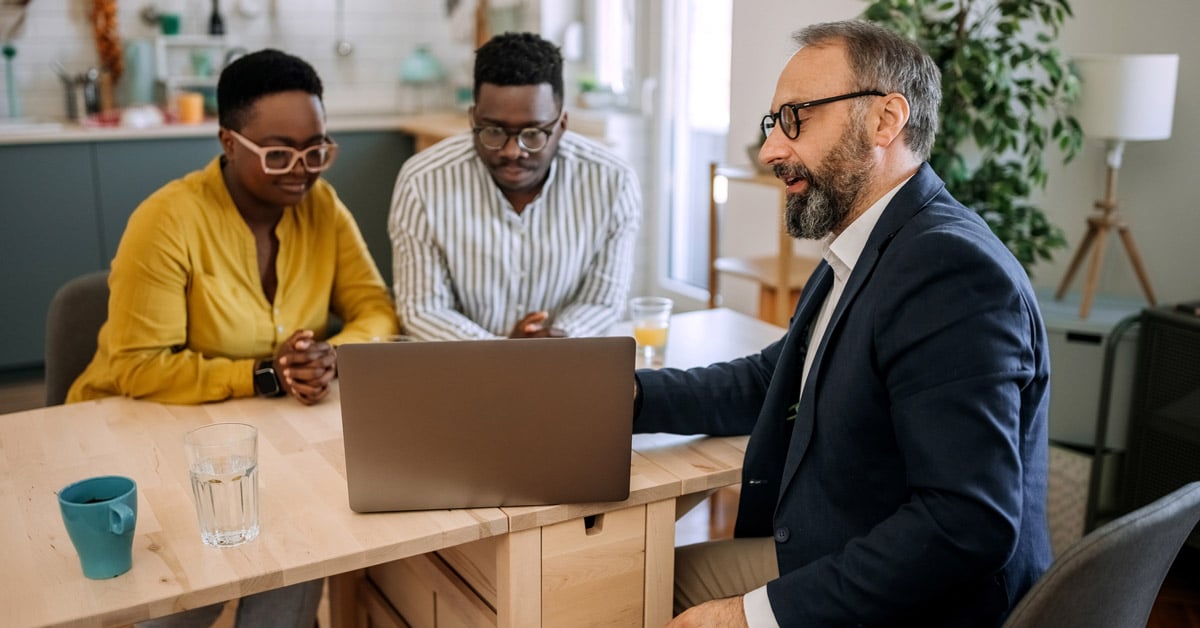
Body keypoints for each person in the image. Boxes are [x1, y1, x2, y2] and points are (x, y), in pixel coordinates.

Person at [634, 21, 1051, 627]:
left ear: (886, 121)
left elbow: (966, 524)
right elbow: (771, 382)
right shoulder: (871, 245)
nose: (773, 150)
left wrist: (750, 616)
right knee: (634, 576)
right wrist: (633, 396)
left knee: (629, 588)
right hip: (849, 543)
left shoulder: (949, 271)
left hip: (927, 604)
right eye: (773, 124)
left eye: (795, 118)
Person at [67, 49, 398, 627]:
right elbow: (140, 367)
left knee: (303, 544)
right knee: (189, 586)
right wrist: (266, 373)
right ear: (227, 142)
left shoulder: (323, 206)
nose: (303, 168)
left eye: (317, 149)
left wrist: (332, 355)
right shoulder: (167, 220)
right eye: (278, 153)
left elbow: (374, 309)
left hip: (266, 437)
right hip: (137, 429)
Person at [389, 32, 640, 340]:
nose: (512, 151)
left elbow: (602, 300)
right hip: (460, 373)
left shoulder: (613, 182)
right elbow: (422, 309)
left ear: (561, 125)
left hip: (563, 367)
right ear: (472, 119)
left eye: (533, 133)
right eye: (493, 131)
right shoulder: (422, 182)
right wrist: (503, 353)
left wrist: (556, 337)